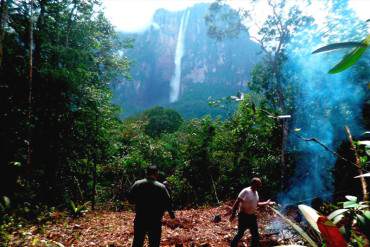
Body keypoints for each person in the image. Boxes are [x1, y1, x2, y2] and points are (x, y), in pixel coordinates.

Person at [128, 165, 175, 247]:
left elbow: (130, 200)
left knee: (137, 242)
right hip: (155, 220)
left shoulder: (137, 184)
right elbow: (168, 202)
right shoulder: (161, 187)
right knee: (154, 243)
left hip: (140, 218)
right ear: (156, 173)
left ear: (146, 173)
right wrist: (172, 215)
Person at [229, 177, 274, 247]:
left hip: (252, 216)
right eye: (258, 185)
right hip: (243, 216)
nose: (259, 187)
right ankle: (233, 245)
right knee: (240, 233)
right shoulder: (246, 191)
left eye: (259, 185)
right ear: (253, 184)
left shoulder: (256, 192)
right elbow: (237, 202)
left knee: (255, 234)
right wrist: (233, 214)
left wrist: (267, 203)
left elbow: (257, 204)